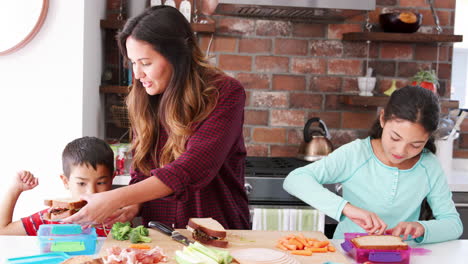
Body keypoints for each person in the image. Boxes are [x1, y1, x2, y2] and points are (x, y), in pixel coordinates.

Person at [65, 6, 250, 230]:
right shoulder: (144, 98)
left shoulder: (225, 92)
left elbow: (194, 167)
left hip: (217, 230)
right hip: (159, 232)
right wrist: (135, 204)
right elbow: (141, 171)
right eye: (133, 62)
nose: (137, 74)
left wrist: (117, 197)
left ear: (177, 57)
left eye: (145, 63)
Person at [284, 86, 463, 244]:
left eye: (416, 145)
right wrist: (347, 209)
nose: (401, 151)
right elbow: (295, 179)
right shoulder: (356, 154)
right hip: (348, 255)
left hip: (403, 257)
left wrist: (421, 228)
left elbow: (453, 224)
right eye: (395, 137)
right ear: (383, 119)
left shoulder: (429, 166)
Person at [0, 136, 115, 237]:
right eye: (81, 183)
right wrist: (15, 190)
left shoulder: (119, 217)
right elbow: (2, 231)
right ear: (65, 181)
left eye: (101, 183)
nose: (91, 193)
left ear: (112, 179)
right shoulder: (51, 218)